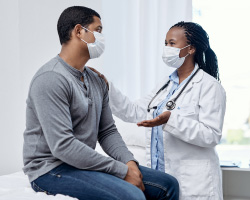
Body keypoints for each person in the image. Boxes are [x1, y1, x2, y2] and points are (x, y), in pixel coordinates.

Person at [22, 6, 179, 200]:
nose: (101, 37)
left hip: (79, 165)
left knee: (168, 185)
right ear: (79, 31)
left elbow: (107, 131)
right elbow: (63, 146)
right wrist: (121, 171)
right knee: (131, 196)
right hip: (50, 170)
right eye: (98, 30)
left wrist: (129, 162)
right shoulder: (51, 78)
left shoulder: (96, 81)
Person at [93, 21, 226, 199]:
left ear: (190, 49)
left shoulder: (209, 86)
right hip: (162, 179)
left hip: (194, 182)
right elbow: (133, 111)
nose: (167, 48)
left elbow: (211, 135)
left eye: (172, 43)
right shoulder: (165, 84)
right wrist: (107, 87)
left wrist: (170, 120)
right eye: (165, 43)